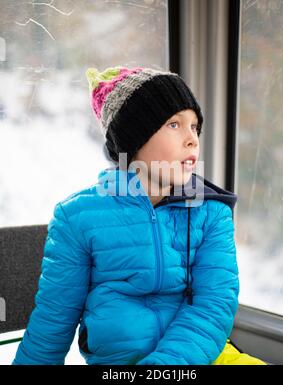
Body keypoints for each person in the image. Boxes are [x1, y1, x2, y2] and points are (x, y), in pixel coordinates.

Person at [12, 65, 266, 365]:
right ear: (134, 140)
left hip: (202, 356)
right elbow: (53, 321)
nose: (192, 139)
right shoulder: (77, 217)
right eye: (175, 124)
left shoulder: (211, 210)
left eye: (194, 127)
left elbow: (214, 303)